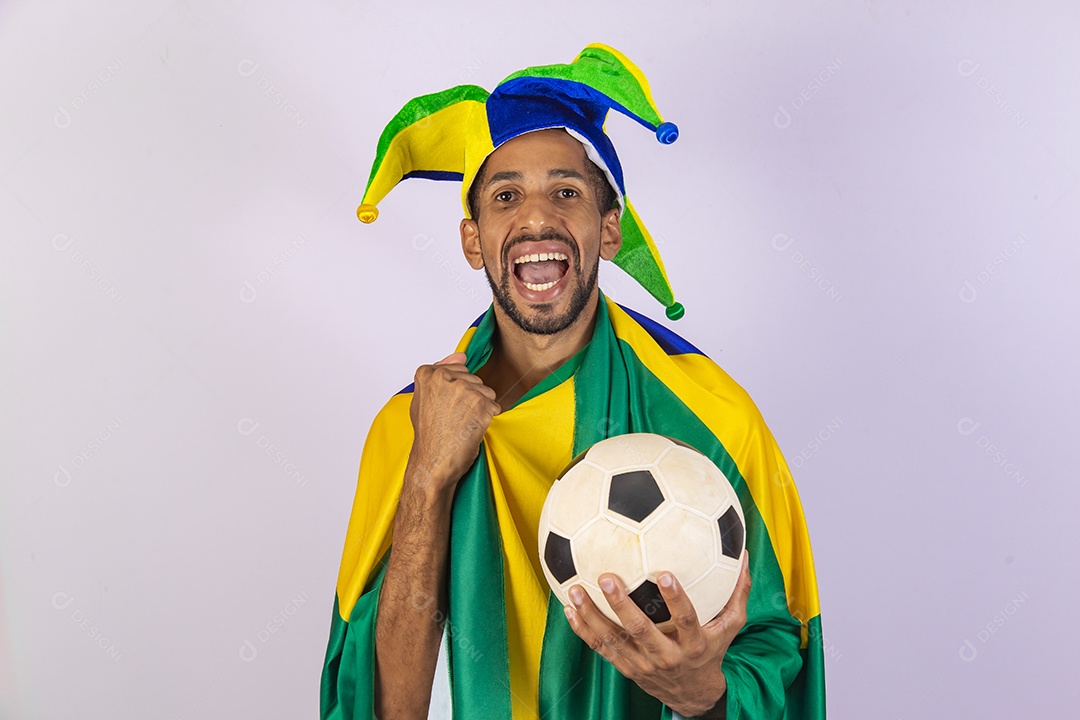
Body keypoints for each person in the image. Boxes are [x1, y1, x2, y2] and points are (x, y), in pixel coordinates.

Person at [321, 44, 824, 720]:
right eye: (506, 197)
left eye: (566, 192)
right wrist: (427, 478)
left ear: (609, 229)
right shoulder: (407, 428)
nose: (535, 219)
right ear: (473, 240)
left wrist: (703, 696)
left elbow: (781, 656)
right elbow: (385, 708)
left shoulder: (711, 416)